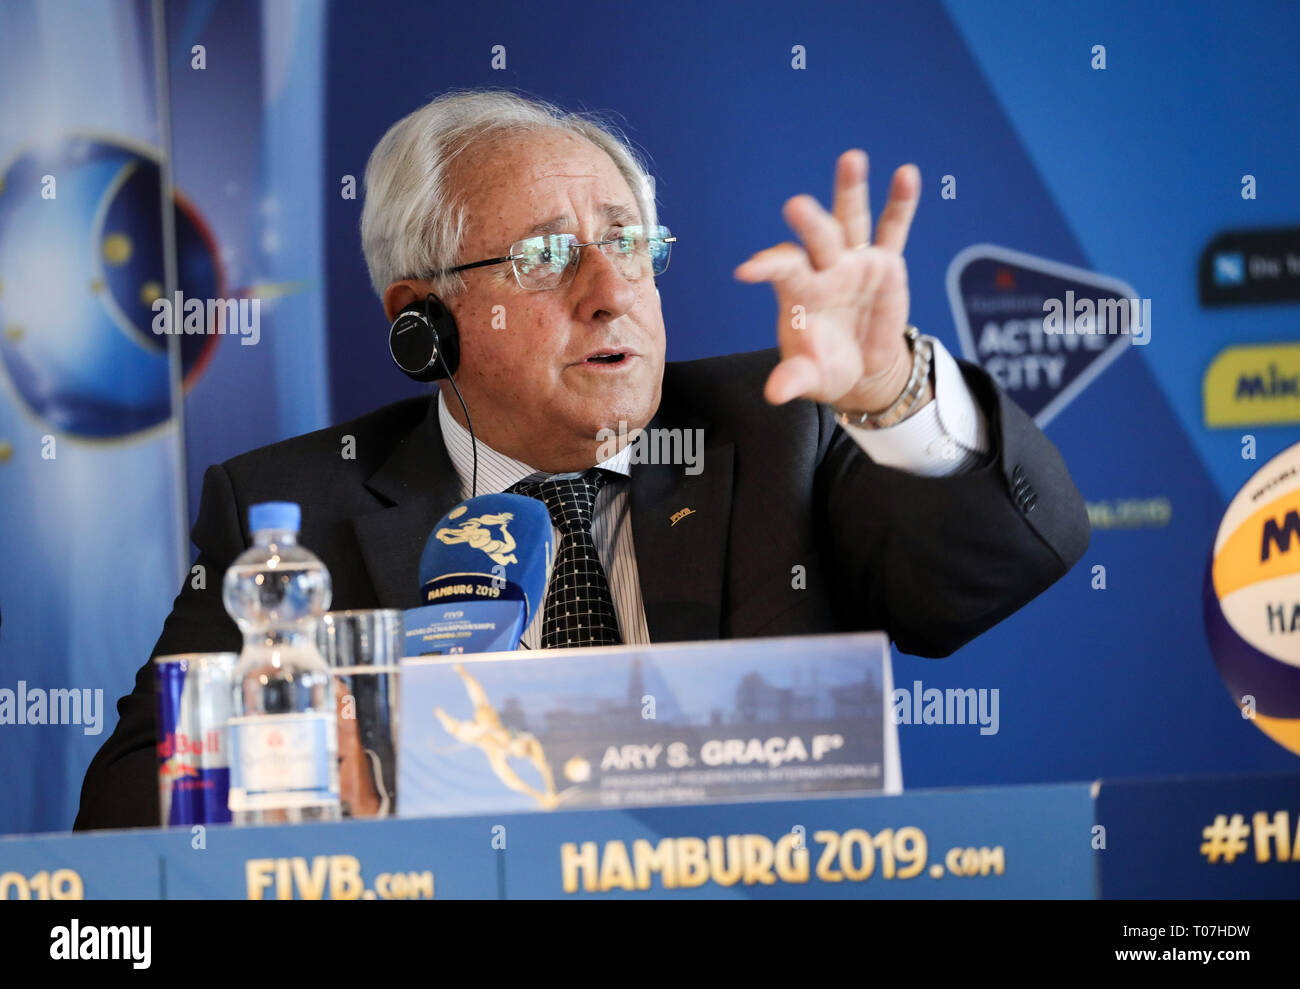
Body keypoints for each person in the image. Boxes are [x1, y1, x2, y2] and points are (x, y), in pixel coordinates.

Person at [75, 88, 1089, 830]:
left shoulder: (781, 425)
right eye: (547, 257)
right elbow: (125, 818)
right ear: (421, 320)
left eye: (629, 242)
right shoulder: (290, 502)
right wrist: (321, 755)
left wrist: (887, 393)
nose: (611, 290)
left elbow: (997, 566)